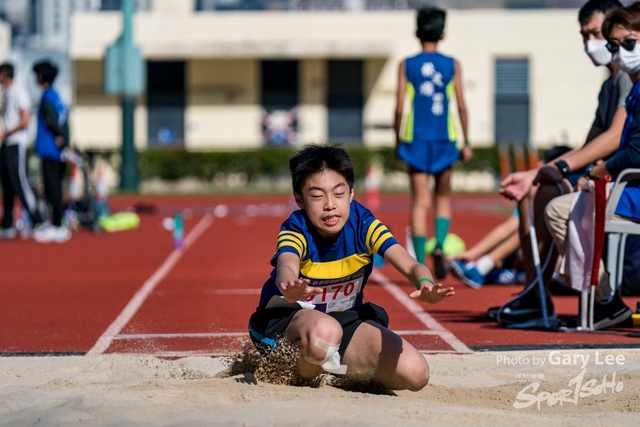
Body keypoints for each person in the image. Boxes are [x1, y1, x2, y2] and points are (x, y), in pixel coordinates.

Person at [248, 144, 454, 391]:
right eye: (317, 196)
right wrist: (289, 285)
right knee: (325, 331)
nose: (329, 205)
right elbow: (286, 263)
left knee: (415, 373)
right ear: (299, 199)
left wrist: (426, 283)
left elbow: (410, 265)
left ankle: (335, 370)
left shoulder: (364, 224)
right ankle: (296, 372)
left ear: (352, 193)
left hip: (344, 323)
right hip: (286, 325)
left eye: (338, 193)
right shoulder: (296, 228)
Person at [495, 0, 633, 327]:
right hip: (608, 176)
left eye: (599, 34)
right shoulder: (608, 86)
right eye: (585, 36)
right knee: (539, 187)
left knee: (548, 195)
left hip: (620, 179)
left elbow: (614, 139)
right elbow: (590, 145)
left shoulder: (628, 79)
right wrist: (536, 171)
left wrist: (568, 170)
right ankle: (536, 292)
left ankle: (590, 296)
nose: (592, 44)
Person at [544, 1, 640, 329]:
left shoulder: (633, 86)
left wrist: (601, 170)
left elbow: (634, 150)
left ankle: (605, 300)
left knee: (559, 210)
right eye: (616, 45)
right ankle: (603, 299)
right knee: (564, 202)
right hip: (628, 184)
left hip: (633, 189)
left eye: (629, 43)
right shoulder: (630, 86)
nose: (619, 52)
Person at [394, 6, 472, 280]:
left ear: (416, 33)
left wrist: (397, 139)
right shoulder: (453, 65)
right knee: (443, 199)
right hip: (445, 138)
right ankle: (439, 245)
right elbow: (461, 105)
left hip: (416, 139)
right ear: (443, 33)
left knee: (419, 202)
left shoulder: (406, 65)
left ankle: (421, 266)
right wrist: (466, 141)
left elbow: (400, 107)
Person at [449, 146, 574, 289]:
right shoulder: (541, 198)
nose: (537, 168)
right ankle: (493, 270)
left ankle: (486, 270)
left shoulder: (562, 196)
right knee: (516, 247)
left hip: (563, 259)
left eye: (541, 165)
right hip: (548, 256)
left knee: (525, 240)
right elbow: (507, 228)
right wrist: (473, 253)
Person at [0, 63, 43, 239]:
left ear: (4, 73)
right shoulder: (8, 92)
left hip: (16, 143)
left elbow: (25, 118)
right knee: (7, 183)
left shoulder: (18, 90)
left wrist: (7, 132)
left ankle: (36, 218)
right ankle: (8, 222)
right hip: (7, 143)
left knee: (19, 180)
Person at [31, 60, 71, 244]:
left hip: (51, 149)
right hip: (55, 150)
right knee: (54, 188)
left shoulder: (47, 97)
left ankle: (58, 225)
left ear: (41, 76)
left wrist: (60, 136)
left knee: (52, 188)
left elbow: (52, 121)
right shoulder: (57, 96)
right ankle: (56, 223)